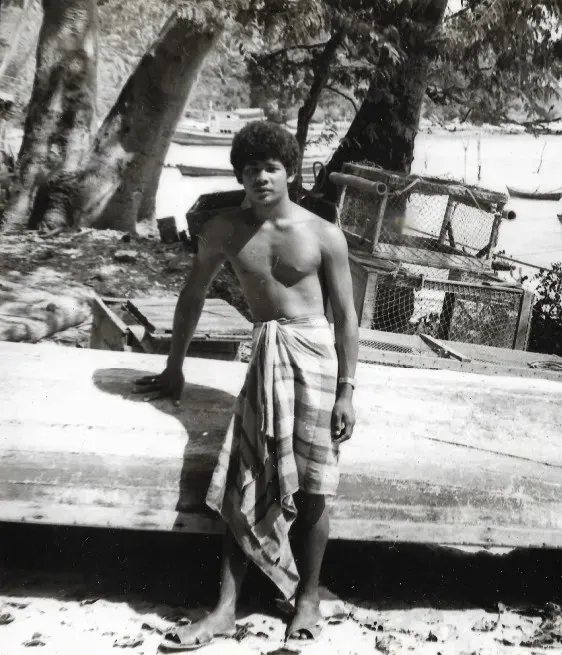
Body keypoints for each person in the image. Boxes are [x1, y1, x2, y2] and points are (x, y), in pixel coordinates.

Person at [134, 121, 360, 650]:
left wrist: (348, 388)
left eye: (271, 167)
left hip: (317, 361)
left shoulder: (323, 233)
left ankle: (307, 597)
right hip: (265, 359)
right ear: (239, 175)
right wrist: (174, 367)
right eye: (250, 169)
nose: (260, 177)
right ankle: (225, 609)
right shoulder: (224, 230)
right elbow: (191, 296)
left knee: (314, 483)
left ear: (291, 173)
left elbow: (346, 317)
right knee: (243, 474)